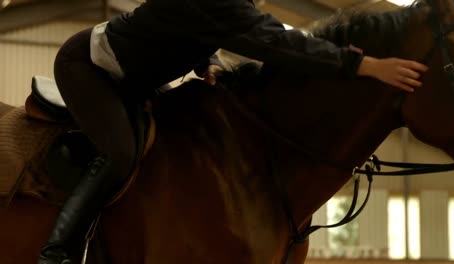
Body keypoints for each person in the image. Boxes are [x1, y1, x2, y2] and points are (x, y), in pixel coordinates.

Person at [38, 0, 428, 263]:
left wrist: (205, 61)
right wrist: (364, 66)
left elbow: (186, 27)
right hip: (88, 71)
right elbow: (278, 42)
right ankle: (58, 252)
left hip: (136, 78)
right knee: (119, 152)